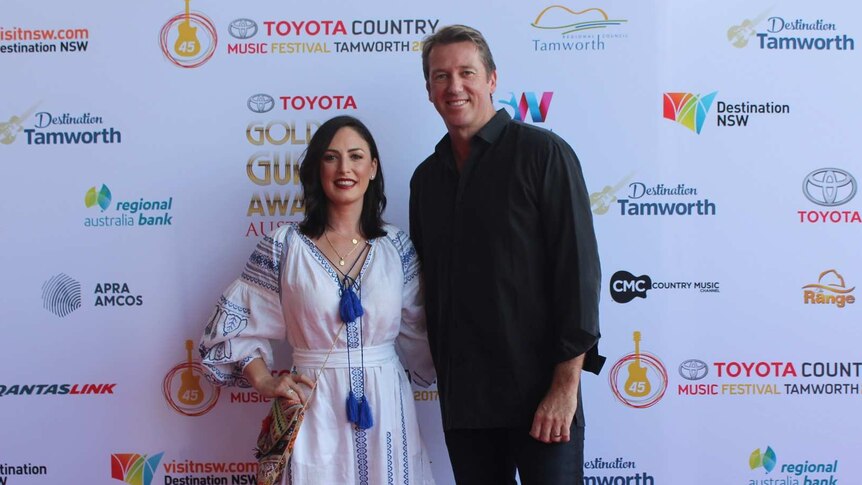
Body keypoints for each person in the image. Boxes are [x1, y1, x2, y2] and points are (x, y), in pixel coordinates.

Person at [409, 25, 604, 484]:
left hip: (544, 398)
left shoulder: (544, 154)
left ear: (492, 79)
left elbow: (578, 276)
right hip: (467, 405)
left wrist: (564, 388)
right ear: (429, 90)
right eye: (441, 76)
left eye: (466, 72)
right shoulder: (426, 180)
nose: (454, 86)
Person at [200, 115, 436, 484]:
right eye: (331, 157)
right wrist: (265, 381)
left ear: (373, 168)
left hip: (386, 404)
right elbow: (235, 325)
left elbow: (424, 330)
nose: (345, 168)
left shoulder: (396, 247)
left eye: (356, 156)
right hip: (313, 402)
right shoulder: (284, 246)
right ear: (316, 169)